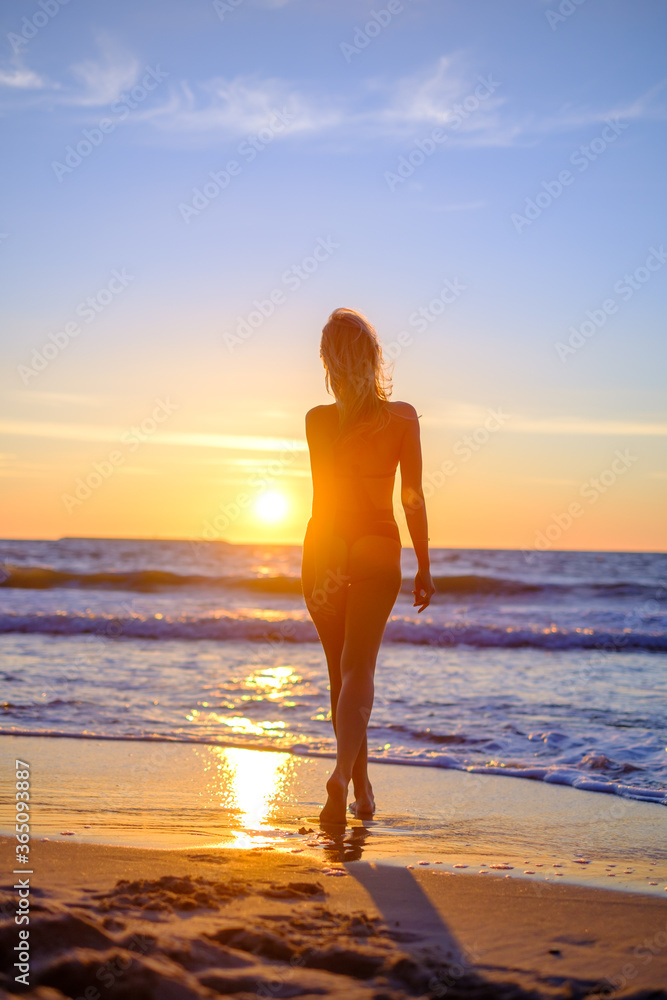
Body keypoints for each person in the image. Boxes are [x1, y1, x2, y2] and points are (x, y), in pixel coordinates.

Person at [301, 307, 436, 825]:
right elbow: (413, 498)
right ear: (374, 357)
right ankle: (347, 781)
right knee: (360, 668)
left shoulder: (316, 420)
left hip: (327, 545)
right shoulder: (402, 417)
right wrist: (424, 564)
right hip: (378, 541)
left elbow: (322, 501)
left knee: (339, 672)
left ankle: (357, 786)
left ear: (329, 362)